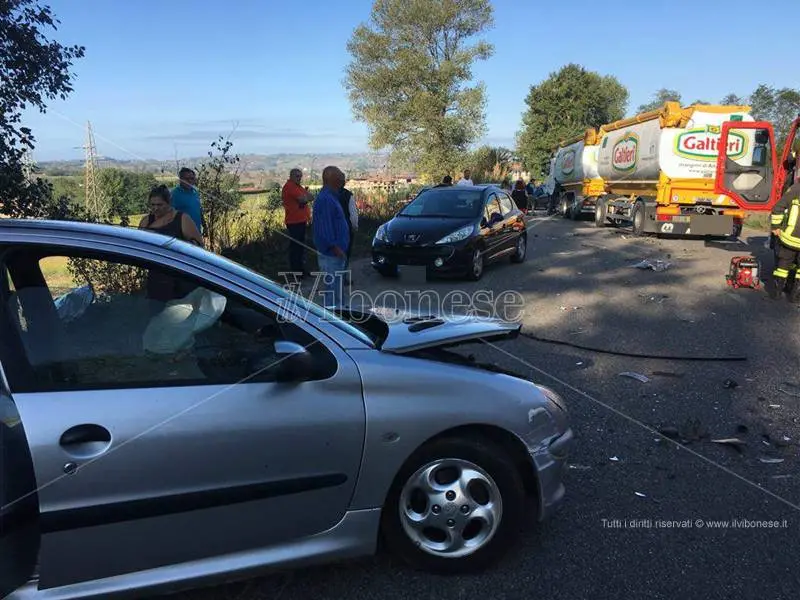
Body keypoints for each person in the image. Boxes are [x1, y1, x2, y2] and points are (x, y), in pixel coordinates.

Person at [139, 185, 203, 303]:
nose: (156, 208)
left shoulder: (182, 219)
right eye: (152, 205)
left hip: (180, 277)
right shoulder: (146, 221)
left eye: (160, 205)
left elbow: (198, 245)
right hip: (156, 278)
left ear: (169, 203)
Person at [312, 166, 350, 308]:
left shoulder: (332, 197)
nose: (343, 180)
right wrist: (336, 248)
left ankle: (339, 315)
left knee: (336, 291)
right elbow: (324, 228)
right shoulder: (325, 199)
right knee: (332, 292)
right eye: (340, 177)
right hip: (331, 255)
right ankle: (332, 318)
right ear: (333, 180)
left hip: (335, 254)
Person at [768, 181, 800, 302]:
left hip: (789, 239)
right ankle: (795, 297)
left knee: (782, 267)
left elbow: (777, 208)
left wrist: (776, 227)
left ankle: (776, 293)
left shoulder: (795, 190)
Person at [282, 168, 313, 277]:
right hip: (294, 221)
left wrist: (305, 197)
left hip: (301, 220)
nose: (299, 178)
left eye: (300, 176)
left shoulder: (298, 187)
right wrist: (305, 197)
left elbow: (311, 197)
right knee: (296, 248)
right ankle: (296, 272)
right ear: (291, 176)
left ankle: (301, 270)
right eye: (297, 176)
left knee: (300, 247)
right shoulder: (289, 187)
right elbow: (303, 199)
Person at [170, 167, 203, 235]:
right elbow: (169, 214)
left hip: (197, 231)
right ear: (181, 180)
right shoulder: (174, 194)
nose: (190, 181)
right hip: (182, 233)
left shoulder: (195, 192)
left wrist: (204, 226)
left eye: (192, 178)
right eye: (186, 179)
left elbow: (198, 210)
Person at [337, 178, 359, 277]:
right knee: (345, 252)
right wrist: (355, 226)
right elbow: (353, 214)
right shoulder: (348, 195)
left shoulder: (326, 195)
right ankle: (343, 276)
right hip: (345, 228)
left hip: (330, 229)